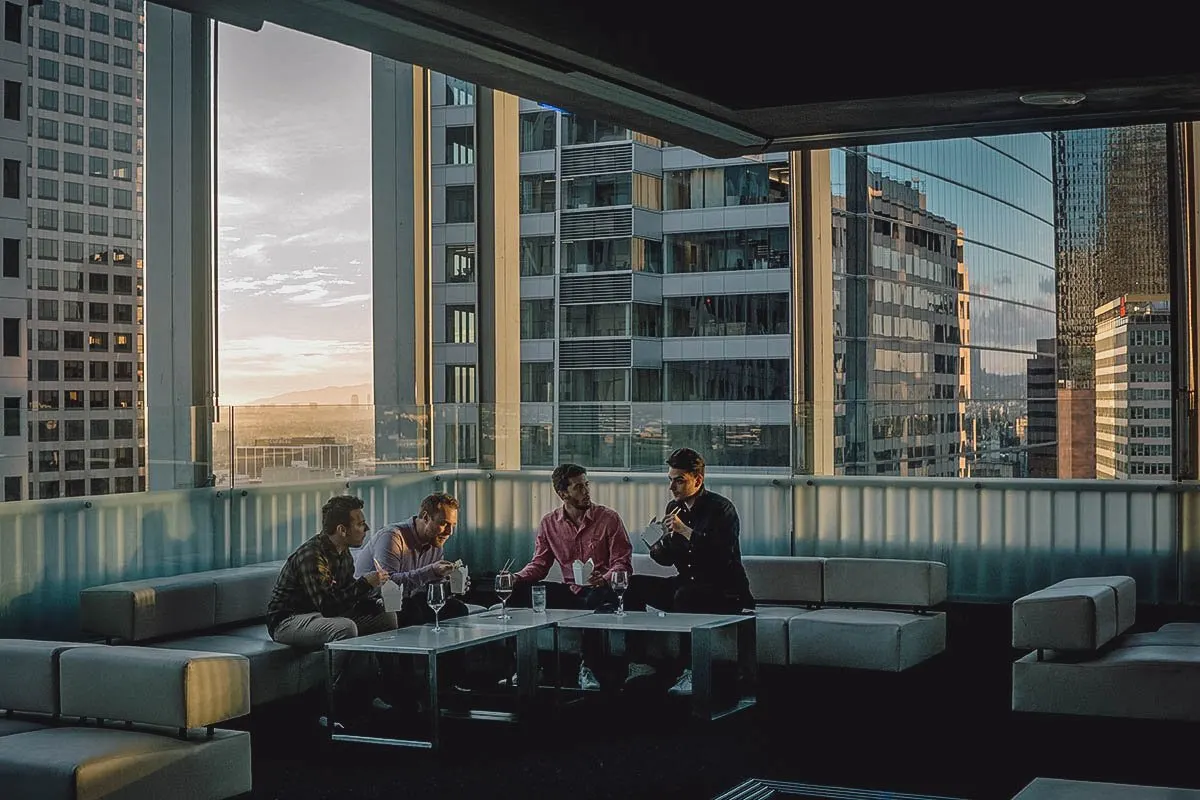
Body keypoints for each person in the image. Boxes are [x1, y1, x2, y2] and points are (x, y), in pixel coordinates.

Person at [506, 463, 640, 690]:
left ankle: (588, 668)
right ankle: (524, 666)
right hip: (570, 592)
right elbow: (539, 564)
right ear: (562, 493)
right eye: (579, 487)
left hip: (601, 589)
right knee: (516, 592)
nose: (586, 491)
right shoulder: (549, 523)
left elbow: (622, 563)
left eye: (586, 485)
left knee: (595, 598)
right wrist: (515, 578)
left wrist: (605, 577)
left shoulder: (608, 519)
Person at [633, 447, 754, 696]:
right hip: (686, 583)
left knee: (685, 596)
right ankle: (639, 662)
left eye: (679, 480)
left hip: (725, 590)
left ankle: (691, 671)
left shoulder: (722, 509)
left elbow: (721, 556)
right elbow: (668, 560)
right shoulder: (673, 508)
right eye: (670, 480)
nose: (672, 487)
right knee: (634, 586)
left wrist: (686, 531)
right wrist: (656, 543)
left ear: (697, 480)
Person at [266, 494, 396, 720]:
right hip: (289, 620)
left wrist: (370, 601)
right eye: (360, 523)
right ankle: (324, 701)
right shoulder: (312, 555)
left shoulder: (344, 554)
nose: (366, 528)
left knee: (387, 618)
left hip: (320, 616)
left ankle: (366, 691)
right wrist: (366, 583)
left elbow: (345, 597)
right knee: (345, 628)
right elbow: (327, 605)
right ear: (342, 529)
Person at [354, 492, 469, 629]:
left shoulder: (436, 542)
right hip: (375, 601)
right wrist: (432, 571)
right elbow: (389, 585)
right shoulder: (392, 537)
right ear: (426, 517)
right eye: (443, 523)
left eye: (453, 525)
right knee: (411, 608)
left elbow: (427, 587)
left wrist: (448, 587)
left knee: (457, 609)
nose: (449, 532)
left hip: (407, 600)